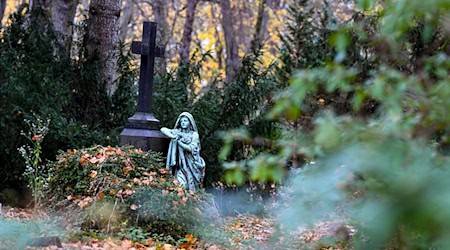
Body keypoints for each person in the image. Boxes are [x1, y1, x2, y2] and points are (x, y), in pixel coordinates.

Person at [160, 112, 205, 190]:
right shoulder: (177, 132)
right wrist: (173, 136)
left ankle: (192, 199)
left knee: (191, 186)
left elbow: (191, 148)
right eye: (182, 121)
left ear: (190, 122)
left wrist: (179, 142)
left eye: (185, 121)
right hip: (181, 166)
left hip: (192, 165)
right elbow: (163, 129)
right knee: (182, 185)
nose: (183, 123)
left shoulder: (194, 135)